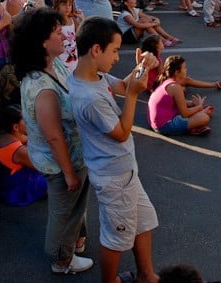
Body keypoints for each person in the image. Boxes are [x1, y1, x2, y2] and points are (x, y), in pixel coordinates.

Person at [67, 17, 160, 283]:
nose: (118, 57)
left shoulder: (92, 75)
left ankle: (146, 275)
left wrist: (140, 68)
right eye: (116, 50)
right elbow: (121, 133)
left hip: (124, 172)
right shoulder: (90, 97)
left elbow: (121, 85)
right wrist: (133, 95)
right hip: (114, 178)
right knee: (116, 237)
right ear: (96, 50)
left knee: (143, 220)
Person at [11, 8, 93, 275]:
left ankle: (74, 243)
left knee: (74, 207)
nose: (64, 35)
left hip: (70, 157)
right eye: (58, 32)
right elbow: (54, 136)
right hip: (61, 163)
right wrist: (69, 173)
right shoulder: (42, 86)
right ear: (42, 42)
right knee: (63, 212)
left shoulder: (51, 65)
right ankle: (61, 259)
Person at [0, 104, 47, 206]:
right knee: (53, 179)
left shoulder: (2, 137)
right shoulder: (19, 151)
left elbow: (27, 139)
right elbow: (43, 167)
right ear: (16, 127)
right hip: (12, 187)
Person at [147, 56, 214, 136]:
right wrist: (199, 107)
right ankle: (192, 129)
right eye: (184, 68)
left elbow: (172, 102)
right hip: (164, 126)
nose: (186, 70)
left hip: (155, 122)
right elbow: (185, 114)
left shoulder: (166, 81)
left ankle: (195, 122)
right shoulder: (175, 87)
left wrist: (191, 104)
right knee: (204, 118)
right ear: (176, 72)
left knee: (201, 112)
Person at [52, 0, 80, 72]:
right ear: (57, 6)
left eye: (69, 5)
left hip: (74, 56)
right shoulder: (56, 23)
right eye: (64, 5)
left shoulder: (72, 20)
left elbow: (80, 33)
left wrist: (81, 18)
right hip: (62, 58)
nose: (67, 8)